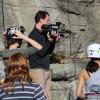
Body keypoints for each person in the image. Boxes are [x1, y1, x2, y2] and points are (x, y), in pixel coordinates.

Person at [27, 10, 60, 100]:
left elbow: (48, 51)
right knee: (40, 97)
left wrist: (53, 41)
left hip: (45, 69)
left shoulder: (43, 34)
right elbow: (41, 53)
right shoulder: (33, 35)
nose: (48, 22)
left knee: (48, 97)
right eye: (47, 20)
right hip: (37, 70)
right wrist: (50, 40)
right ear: (41, 20)